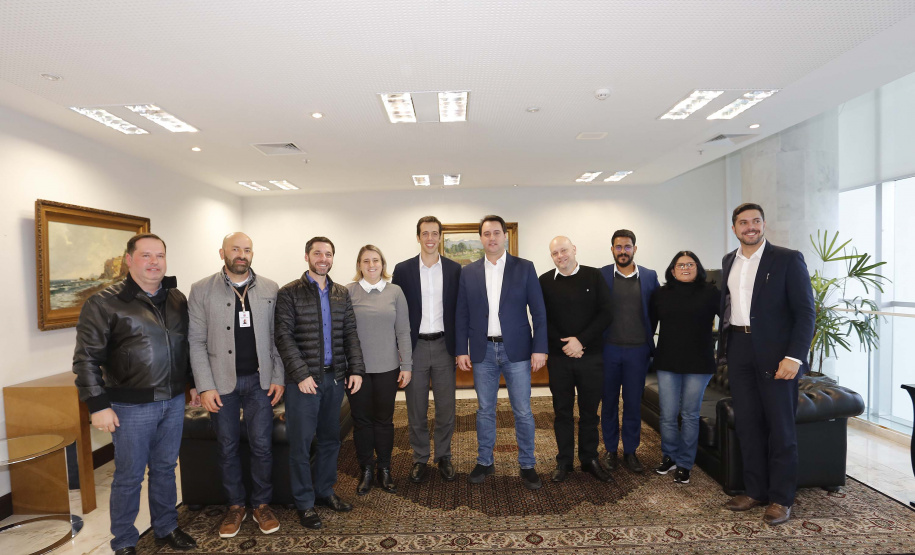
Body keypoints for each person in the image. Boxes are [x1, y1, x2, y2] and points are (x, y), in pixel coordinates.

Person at [72, 233, 199, 555]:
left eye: (160, 255)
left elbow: (186, 346)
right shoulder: (104, 302)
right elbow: (86, 358)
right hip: (130, 406)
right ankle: (125, 542)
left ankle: (166, 527)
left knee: (166, 469)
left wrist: (193, 383)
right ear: (129, 259)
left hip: (172, 400)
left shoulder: (176, 299)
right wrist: (98, 405)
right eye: (146, 255)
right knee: (128, 477)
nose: (154, 262)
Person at [719, 203, 815, 526]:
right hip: (739, 349)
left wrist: (794, 357)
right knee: (747, 424)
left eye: (756, 221)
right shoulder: (728, 261)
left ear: (763, 224)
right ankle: (755, 490)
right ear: (734, 228)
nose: (750, 227)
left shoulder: (787, 259)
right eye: (743, 222)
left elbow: (805, 313)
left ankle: (781, 498)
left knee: (781, 428)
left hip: (777, 355)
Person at [188, 232, 284, 538]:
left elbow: (278, 338)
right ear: (222, 253)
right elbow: (196, 342)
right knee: (227, 447)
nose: (241, 254)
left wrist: (278, 377)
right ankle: (235, 506)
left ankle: (262, 504)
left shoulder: (270, 288)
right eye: (235, 249)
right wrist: (204, 386)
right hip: (220, 383)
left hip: (260, 381)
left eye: (247, 249)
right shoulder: (202, 290)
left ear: (252, 254)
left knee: (262, 446)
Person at [274, 236, 365, 530]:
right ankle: (304, 502)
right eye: (317, 253)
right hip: (303, 382)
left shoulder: (341, 293)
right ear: (307, 257)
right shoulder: (289, 293)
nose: (323, 258)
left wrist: (356, 370)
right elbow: (284, 337)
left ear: (333, 258)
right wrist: (300, 375)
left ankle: (325, 491)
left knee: (330, 439)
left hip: (334, 378)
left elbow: (350, 334)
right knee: (301, 444)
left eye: (328, 254)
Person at [455, 215, 548, 490]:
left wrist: (540, 348)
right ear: (481, 238)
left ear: (505, 236)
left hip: (517, 350)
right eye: (486, 234)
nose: (492, 238)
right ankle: (485, 461)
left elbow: (539, 312)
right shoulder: (468, 272)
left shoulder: (525, 268)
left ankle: (528, 464)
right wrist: (462, 349)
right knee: (485, 410)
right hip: (482, 351)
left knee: (522, 411)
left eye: (496, 232)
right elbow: (461, 314)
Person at [392, 216, 462, 484]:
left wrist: (461, 348)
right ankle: (420, 457)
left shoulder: (455, 269)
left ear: (440, 236)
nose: (430, 238)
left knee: (446, 408)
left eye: (435, 233)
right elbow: (397, 313)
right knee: (415, 408)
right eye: (425, 233)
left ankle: (443, 456)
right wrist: (399, 349)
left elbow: (460, 310)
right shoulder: (404, 270)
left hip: (445, 346)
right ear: (418, 237)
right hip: (415, 347)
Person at [538, 236, 613, 483]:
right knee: (562, 412)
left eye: (564, 250)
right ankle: (564, 461)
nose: (560, 256)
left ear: (574, 250)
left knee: (590, 412)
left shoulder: (594, 276)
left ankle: (589, 458)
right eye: (555, 253)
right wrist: (567, 346)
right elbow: (542, 318)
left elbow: (606, 312)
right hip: (560, 359)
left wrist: (581, 342)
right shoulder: (545, 281)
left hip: (590, 356)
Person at [345, 245, 413, 495]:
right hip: (357, 371)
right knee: (361, 422)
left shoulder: (395, 292)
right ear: (359, 265)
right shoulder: (347, 292)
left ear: (383, 264)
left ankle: (385, 469)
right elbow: (342, 333)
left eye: (376, 260)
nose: (371, 265)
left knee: (384, 421)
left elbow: (403, 331)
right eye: (366, 261)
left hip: (388, 369)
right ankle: (366, 470)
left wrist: (407, 365)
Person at [649, 250, 720, 485]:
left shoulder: (711, 293)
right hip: (668, 361)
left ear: (698, 268)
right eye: (680, 265)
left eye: (690, 264)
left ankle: (685, 464)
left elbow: (730, 320)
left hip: (699, 364)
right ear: (672, 270)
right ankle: (669, 456)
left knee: (689, 415)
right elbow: (650, 326)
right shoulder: (660, 294)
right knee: (668, 415)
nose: (686, 268)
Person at [599, 229, 659, 474]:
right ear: (612, 249)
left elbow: (654, 312)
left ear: (635, 248)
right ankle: (611, 450)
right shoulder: (601, 275)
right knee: (610, 402)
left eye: (627, 246)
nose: (622, 251)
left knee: (633, 403)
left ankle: (631, 451)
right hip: (608, 351)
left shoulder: (649, 276)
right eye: (618, 247)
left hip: (638, 352)